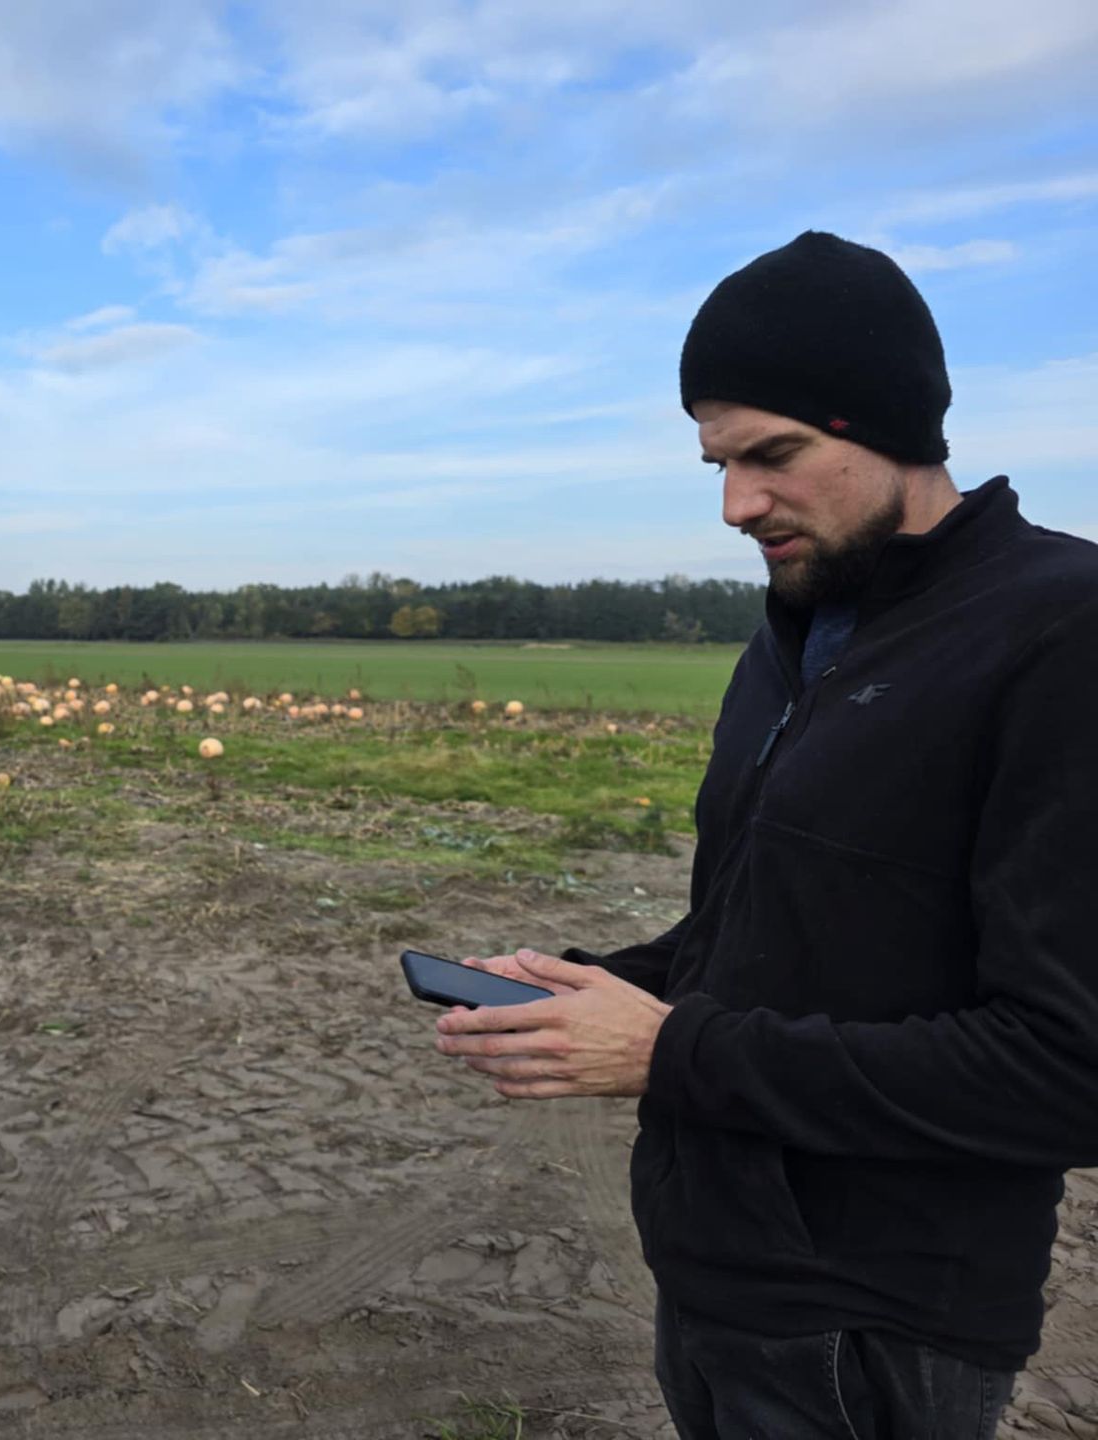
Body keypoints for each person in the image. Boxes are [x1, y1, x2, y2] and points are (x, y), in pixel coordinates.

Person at [431, 230, 1098, 1438]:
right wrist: (607, 983)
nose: (738, 504)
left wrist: (668, 1053)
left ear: (892, 424)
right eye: (718, 464)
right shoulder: (799, 631)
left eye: (773, 456)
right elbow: (781, 918)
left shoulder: (1061, 633)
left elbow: (1070, 1071)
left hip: (879, 1325)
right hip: (718, 1274)